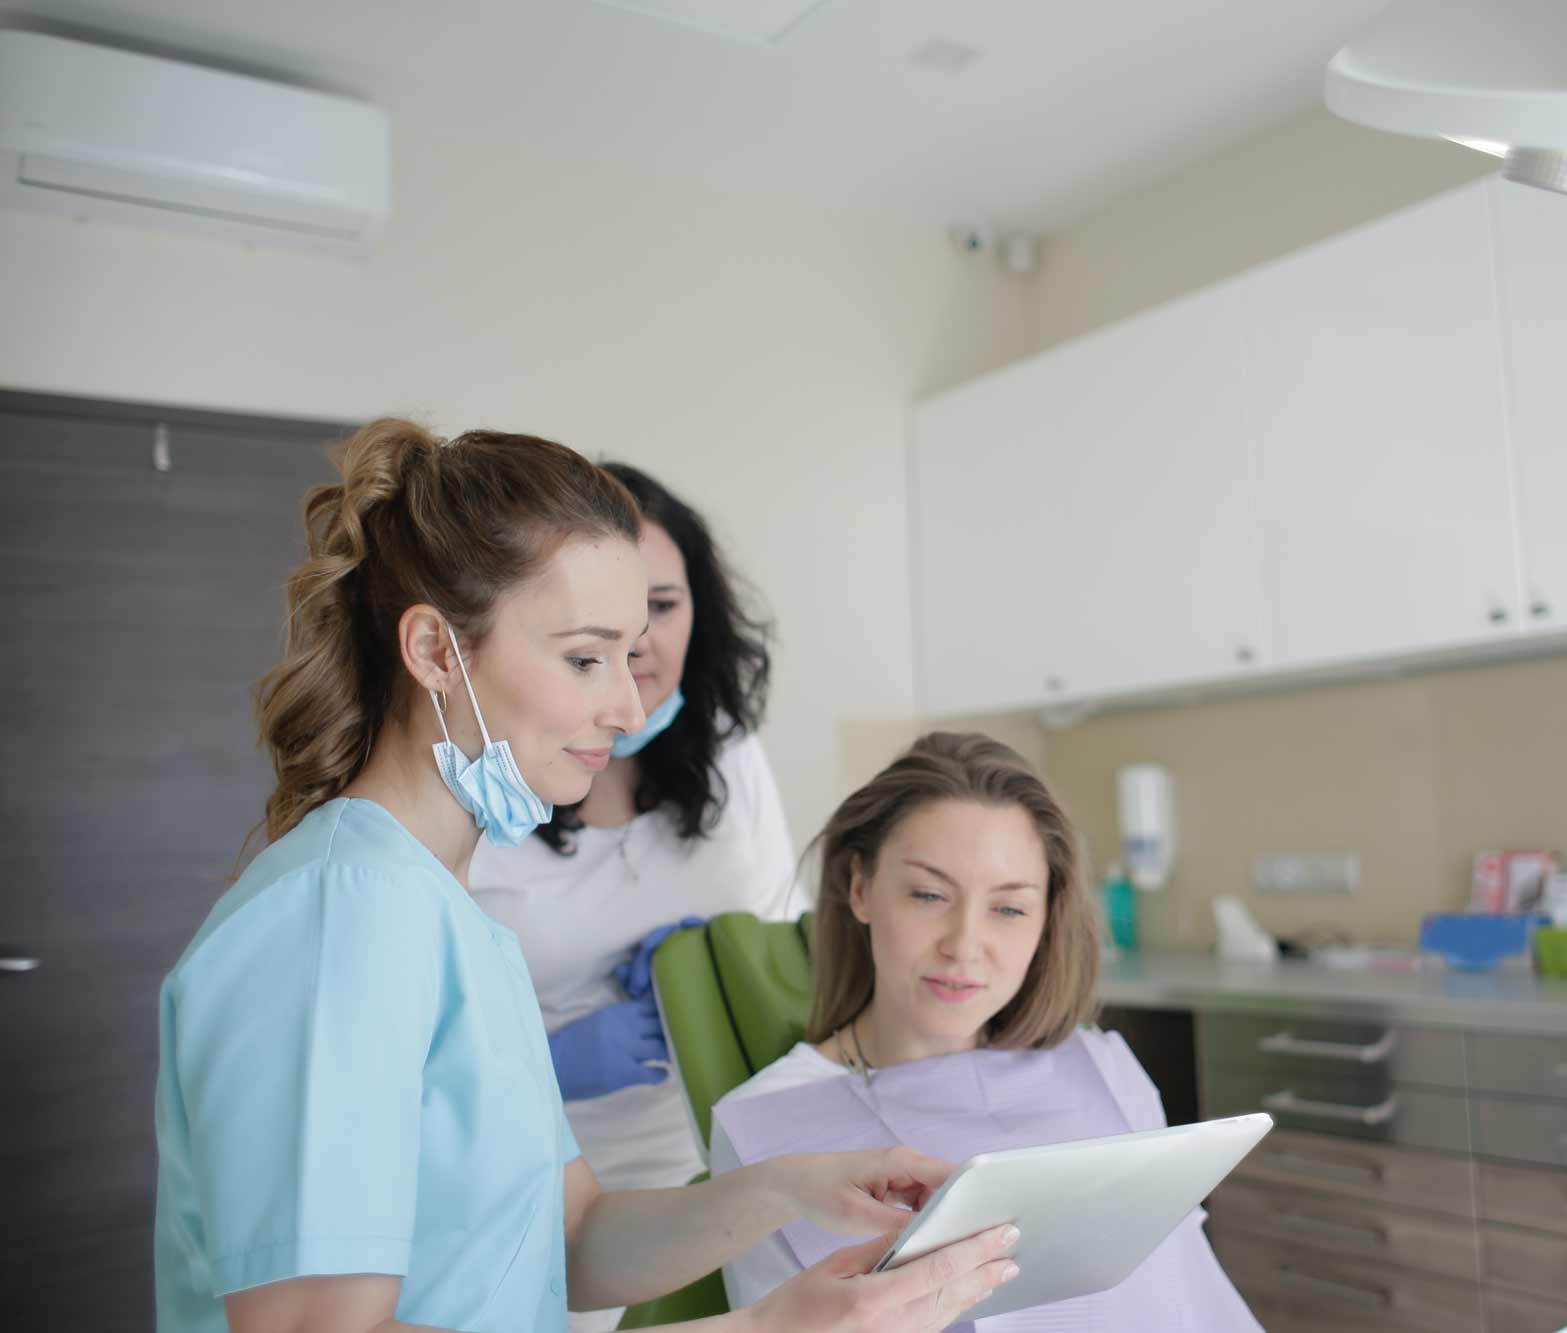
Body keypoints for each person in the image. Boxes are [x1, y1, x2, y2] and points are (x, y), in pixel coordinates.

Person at [152, 421, 1018, 1333]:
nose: (630, 702)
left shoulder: (452, 918)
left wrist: (796, 1185)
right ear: (438, 652)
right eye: (585, 658)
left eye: (631, 650)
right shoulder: (338, 919)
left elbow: (571, 1236)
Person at [708, 732, 1258, 1330]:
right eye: (928, 894)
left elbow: (1193, 1294)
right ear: (860, 888)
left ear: (1048, 917)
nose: (964, 945)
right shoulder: (766, 1124)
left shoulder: (1101, 1066)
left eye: (1010, 908)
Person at [469, 465, 795, 1331]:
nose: (636, 640)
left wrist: (725, 954)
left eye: (662, 604)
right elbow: (429, 1046)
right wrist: (554, 1060)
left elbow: (784, 930)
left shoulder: (730, 754)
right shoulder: (489, 788)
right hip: (548, 1178)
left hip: (719, 1156)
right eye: (602, 624)